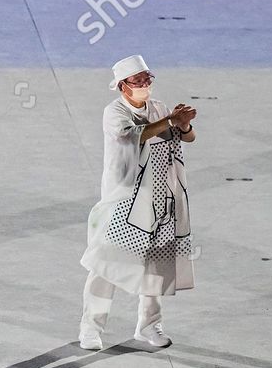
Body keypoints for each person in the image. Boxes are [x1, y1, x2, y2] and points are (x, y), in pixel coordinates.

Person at [79, 54, 197, 350]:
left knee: (156, 266)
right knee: (106, 265)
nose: (145, 84)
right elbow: (136, 135)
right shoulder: (114, 112)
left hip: (159, 199)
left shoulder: (159, 108)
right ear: (122, 86)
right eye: (138, 80)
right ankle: (91, 328)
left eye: (147, 79)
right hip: (124, 200)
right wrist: (169, 120)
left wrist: (182, 125)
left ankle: (149, 325)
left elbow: (187, 137)